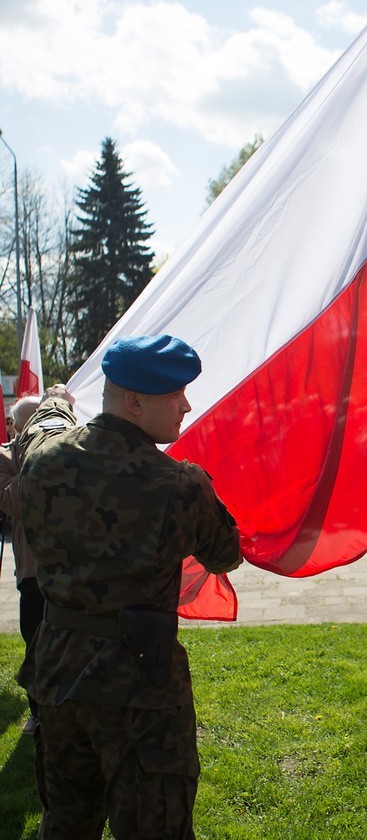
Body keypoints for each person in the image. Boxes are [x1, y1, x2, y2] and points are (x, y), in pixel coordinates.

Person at [17, 334, 243, 840]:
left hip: (58, 676)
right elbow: (227, 552)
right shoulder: (179, 485)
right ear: (135, 402)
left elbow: (39, 427)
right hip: (138, 690)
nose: (187, 405)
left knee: (66, 824)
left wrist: (55, 400)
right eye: (175, 394)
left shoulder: (42, 462)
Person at [0, 395, 42, 733]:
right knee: (35, 642)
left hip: (70, 567)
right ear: (15, 427)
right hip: (32, 570)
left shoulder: (63, 447)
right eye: (29, 424)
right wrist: (38, 457)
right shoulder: (4, 456)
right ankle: (38, 711)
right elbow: (11, 500)